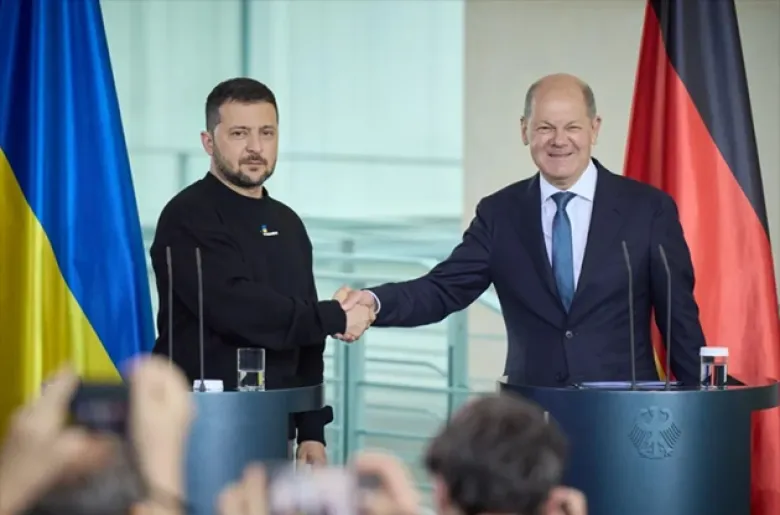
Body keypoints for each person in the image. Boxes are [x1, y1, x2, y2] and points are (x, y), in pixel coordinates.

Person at [335, 73, 705, 386]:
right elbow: (443, 289)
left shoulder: (647, 210)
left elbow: (679, 320)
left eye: (572, 127)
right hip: (530, 417)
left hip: (624, 413)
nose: (559, 140)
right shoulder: (500, 213)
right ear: (524, 130)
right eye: (545, 127)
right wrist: (373, 303)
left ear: (594, 129)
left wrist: (704, 412)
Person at [150, 78, 374, 466]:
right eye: (239, 133)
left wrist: (311, 431)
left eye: (266, 133)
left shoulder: (287, 223)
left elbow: (305, 335)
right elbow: (238, 310)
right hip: (196, 426)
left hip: (273, 425)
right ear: (208, 141)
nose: (255, 147)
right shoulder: (188, 216)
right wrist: (334, 316)